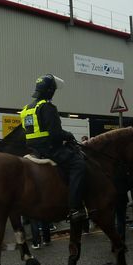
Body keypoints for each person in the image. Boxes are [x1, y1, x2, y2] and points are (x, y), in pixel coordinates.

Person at [20, 74, 87, 221]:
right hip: (49, 148)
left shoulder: (26, 109)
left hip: (33, 149)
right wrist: (69, 135)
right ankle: (75, 207)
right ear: (50, 91)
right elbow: (55, 133)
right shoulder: (47, 107)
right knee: (79, 164)